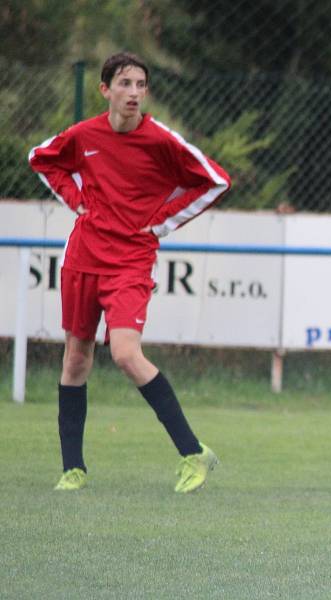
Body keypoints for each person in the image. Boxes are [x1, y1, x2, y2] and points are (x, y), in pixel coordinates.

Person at [28, 52, 231, 493]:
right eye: (125, 83)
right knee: (76, 358)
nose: (134, 92)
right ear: (105, 90)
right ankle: (73, 469)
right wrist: (75, 199)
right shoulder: (84, 136)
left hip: (131, 259)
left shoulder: (161, 141)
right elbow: (41, 158)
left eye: (141, 84)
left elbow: (215, 181)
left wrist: (160, 223)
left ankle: (193, 453)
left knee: (124, 353)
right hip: (83, 257)